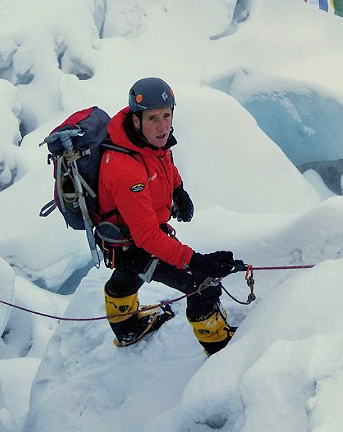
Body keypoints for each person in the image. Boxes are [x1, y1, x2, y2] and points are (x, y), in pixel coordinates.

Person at [98, 77, 244, 353]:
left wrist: (178, 190)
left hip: (131, 233)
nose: (163, 126)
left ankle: (127, 327)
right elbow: (147, 237)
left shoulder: (147, 142)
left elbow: (163, 160)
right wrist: (198, 261)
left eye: (167, 115)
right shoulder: (125, 170)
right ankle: (220, 347)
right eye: (153, 118)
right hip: (132, 243)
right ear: (136, 119)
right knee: (202, 283)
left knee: (128, 276)